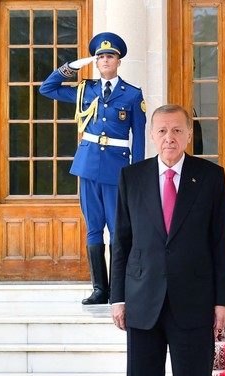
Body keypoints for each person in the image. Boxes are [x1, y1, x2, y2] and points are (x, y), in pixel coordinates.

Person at [110, 104, 225, 376]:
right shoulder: (132, 178)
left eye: (177, 130)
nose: (169, 138)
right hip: (142, 303)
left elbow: (221, 243)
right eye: (162, 130)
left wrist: (222, 301)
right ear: (151, 135)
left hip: (193, 304)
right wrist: (117, 297)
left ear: (188, 135)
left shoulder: (210, 177)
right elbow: (121, 242)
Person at [40, 32, 146, 305]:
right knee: (94, 227)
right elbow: (47, 88)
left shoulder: (132, 94)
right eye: (100, 57)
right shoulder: (85, 90)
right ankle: (100, 289)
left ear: (118, 61)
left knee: (118, 229)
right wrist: (72, 66)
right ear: (95, 62)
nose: (105, 60)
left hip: (116, 169)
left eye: (110, 56)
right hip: (88, 166)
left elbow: (139, 137)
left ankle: (119, 289)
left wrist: (136, 174)